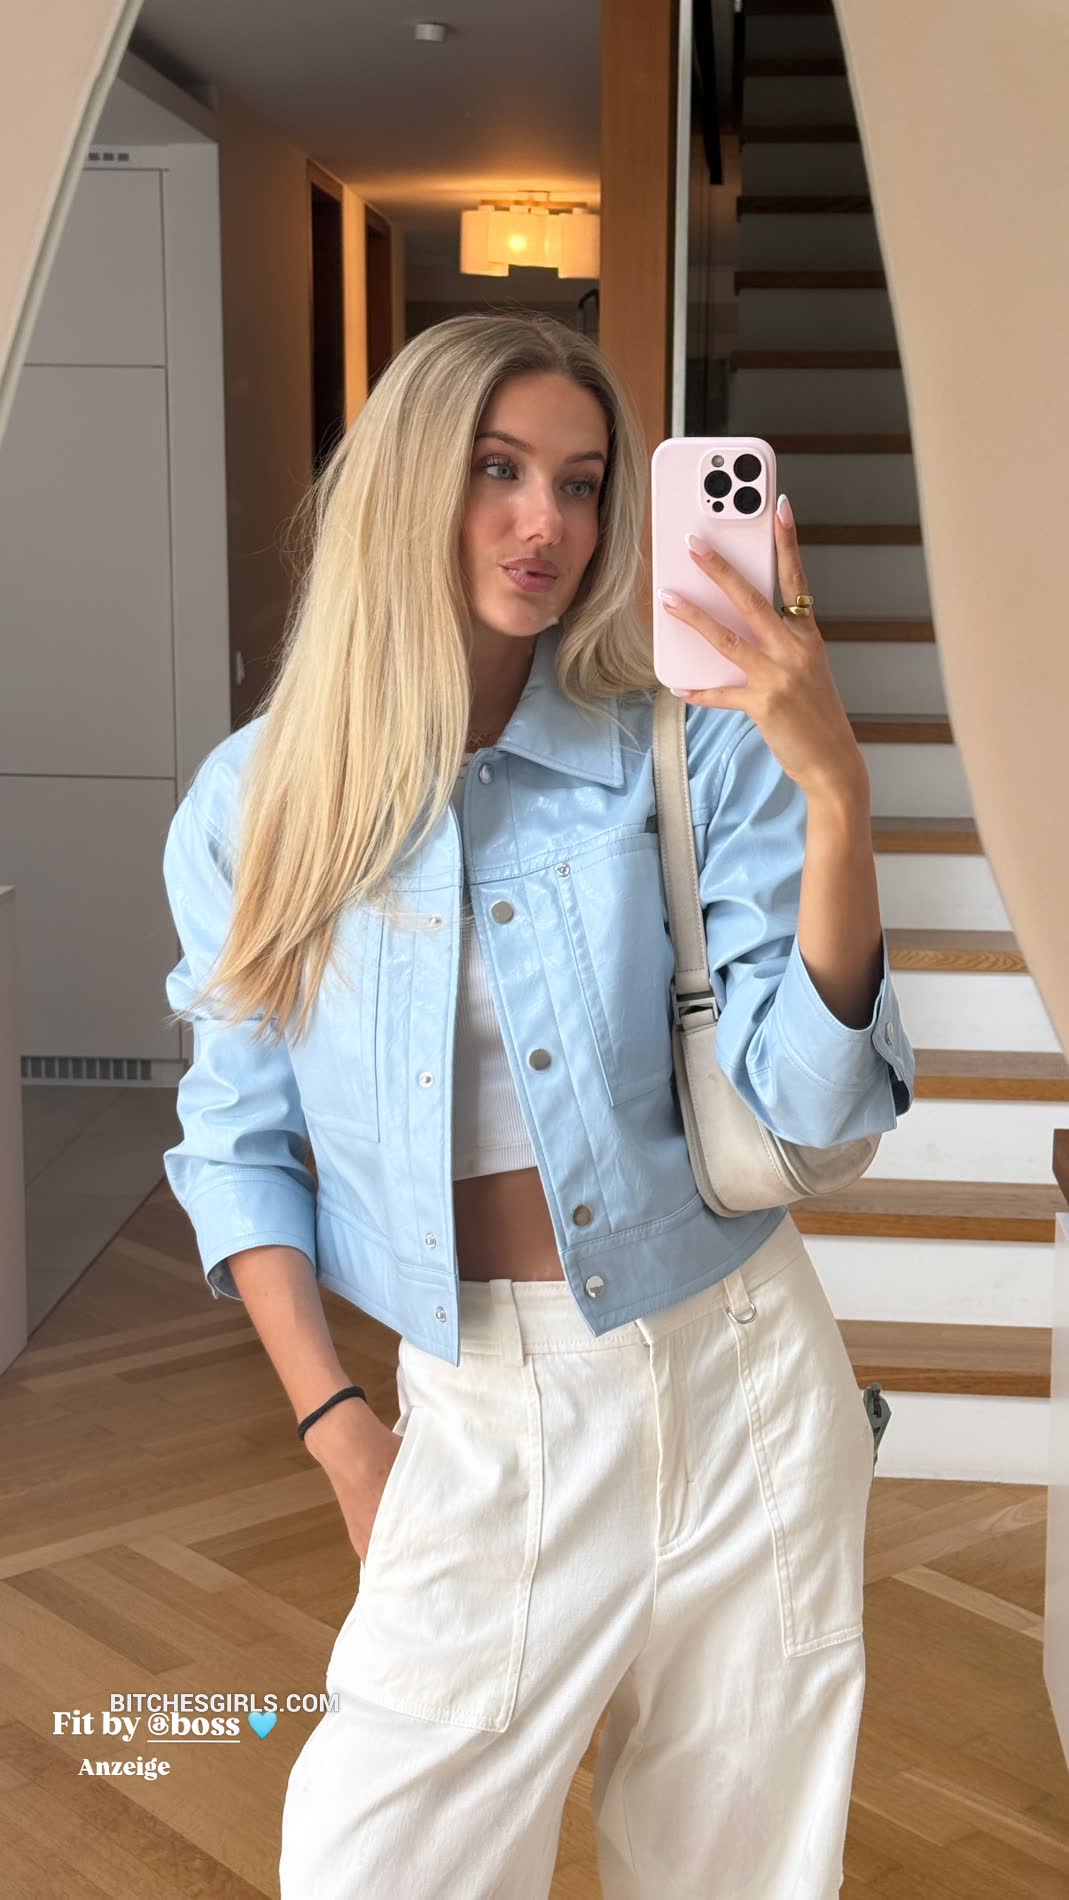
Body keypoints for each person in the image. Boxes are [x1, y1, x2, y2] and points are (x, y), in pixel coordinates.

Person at [161, 311, 915, 1899]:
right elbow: (237, 1144)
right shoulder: (259, 801)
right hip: (481, 1411)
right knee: (372, 1863)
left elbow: (815, 1101)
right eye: (496, 471)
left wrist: (834, 791)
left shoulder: (689, 755)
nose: (545, 524)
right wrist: (340, 1433)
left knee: (733, 1871)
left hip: (743, 1380)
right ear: (405, 486)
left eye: (580, 484)